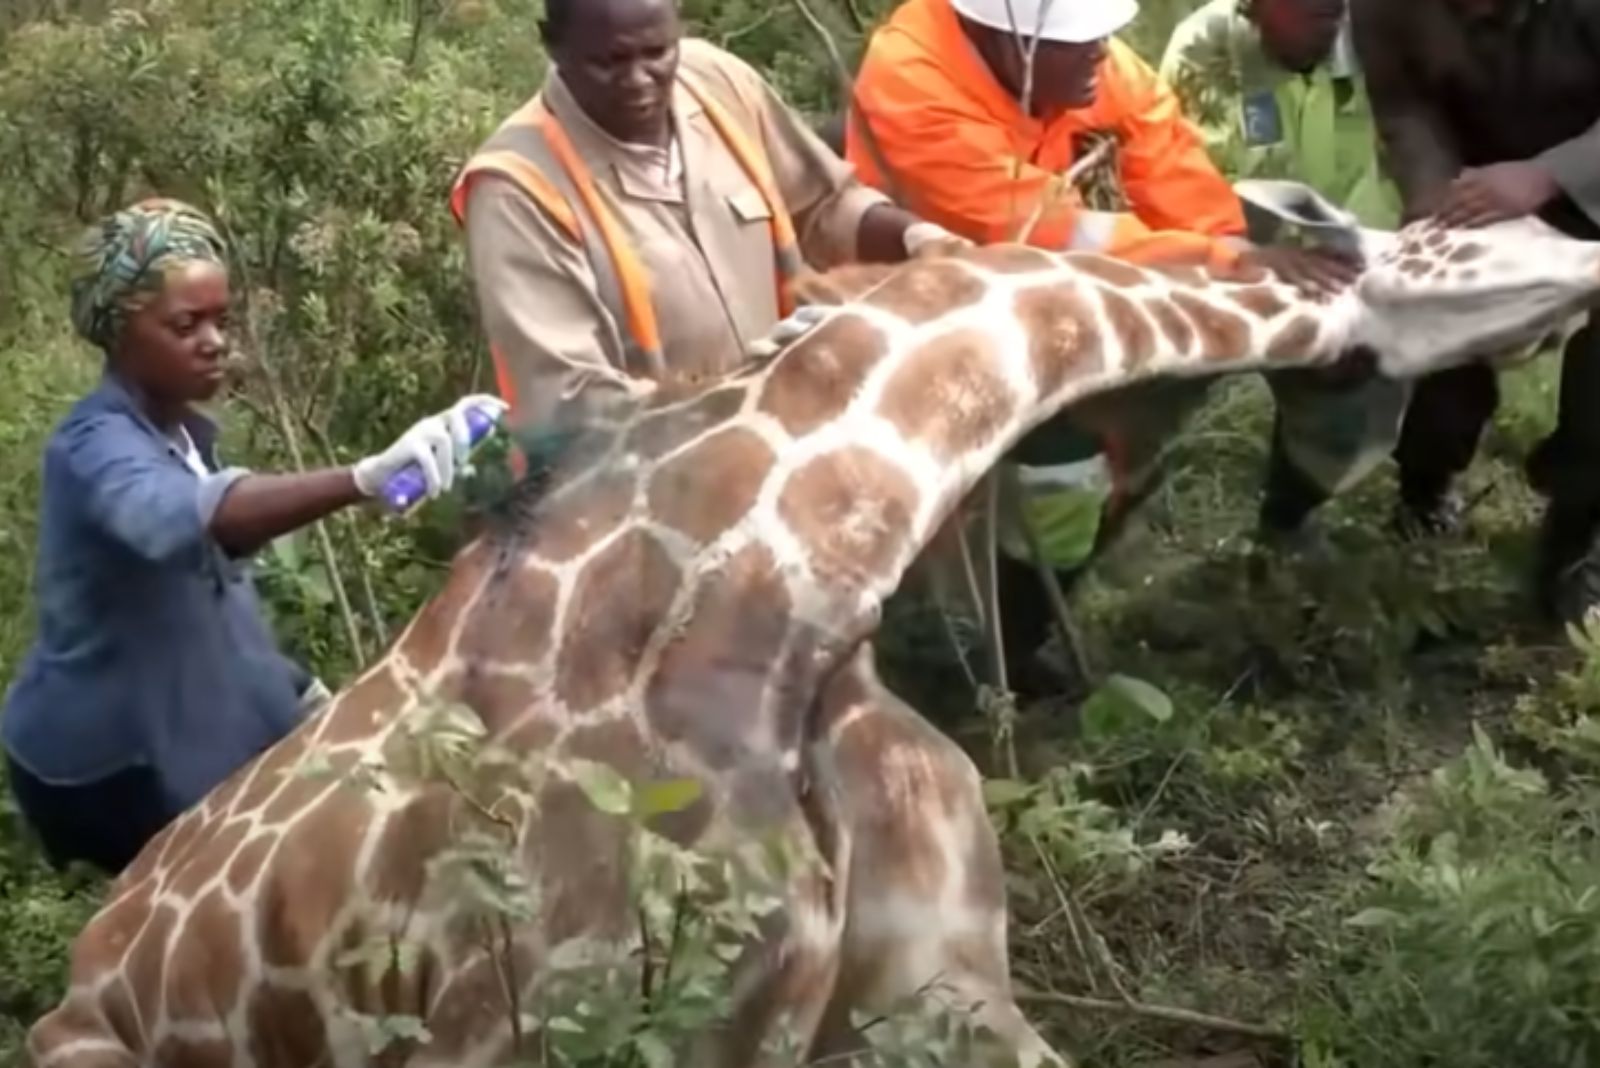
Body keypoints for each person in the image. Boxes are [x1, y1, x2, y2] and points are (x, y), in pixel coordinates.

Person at [845, 0, 1361, 692]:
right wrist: (1216, 261)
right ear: (1008, 40)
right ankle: (985, 657)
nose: (1105, 52)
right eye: (1082, 42)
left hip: (1035, 298)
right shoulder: (913, 83)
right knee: (1056, 472)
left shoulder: (1076, 55)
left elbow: (1163, 148)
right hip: (919, 316)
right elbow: (1041, 231)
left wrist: (1230, 246)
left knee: (1087, 465)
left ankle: (1019, 616)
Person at [0, 198, 507, 875]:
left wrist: (289, 687)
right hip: (112, 763)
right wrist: (362, 476)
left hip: (200, 700)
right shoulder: (93, 450)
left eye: (220, 321)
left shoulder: (182, 433)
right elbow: (198, 516)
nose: (214, 341)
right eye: (185, 324)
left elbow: (211, 583)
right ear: (121, 332)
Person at [450, 0, 961, 439]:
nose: (638, 79)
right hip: (631, 497)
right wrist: (738, 387)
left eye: (656, 52)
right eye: (609, 62)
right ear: (553, 47)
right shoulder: (516, 187)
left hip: (782, 445)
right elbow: (570, 402)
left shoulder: (716, 83)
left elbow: (825, 205)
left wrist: (915, 237)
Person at [1351, 0, 1600, 622]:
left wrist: (1547, 174)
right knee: (1445, 319)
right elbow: (1404, 103)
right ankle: (1425, 485)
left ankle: (1575, 539)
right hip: (1478, 183)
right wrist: (1433, 202)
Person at [1158, 0, 1409, 549]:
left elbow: (1404, 169)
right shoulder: (1208, 48)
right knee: (1146, 385)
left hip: (1343, 276)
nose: (1330, 12)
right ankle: (1121, 505)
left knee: (1354, 394)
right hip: (1224, 265)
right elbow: (1173, 179)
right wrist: (1243, 257)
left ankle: (1291, 515)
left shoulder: (1384, 47)